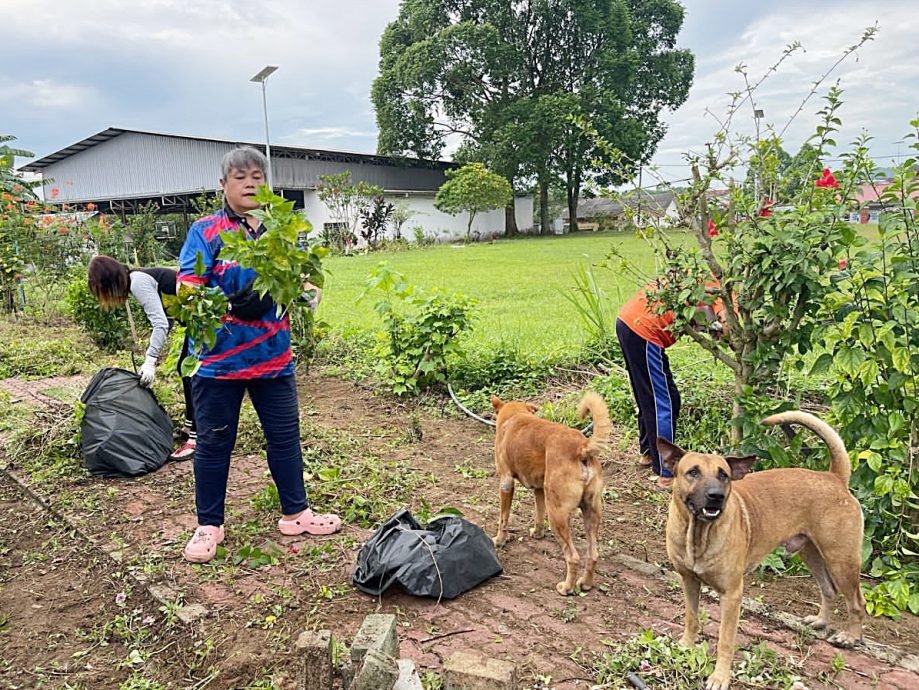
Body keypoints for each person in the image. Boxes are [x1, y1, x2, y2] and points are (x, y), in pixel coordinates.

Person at [177, 146, 340, 564]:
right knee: (214, 445)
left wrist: (307, 293)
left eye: (257, 176)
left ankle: (296, 513)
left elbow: (306, 282)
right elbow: (187, 288)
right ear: (223, 185)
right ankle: (208, 525)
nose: (250, 184)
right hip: (218, 363)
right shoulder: (206, 230)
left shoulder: (282, 230)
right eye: (240, 177)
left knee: (285, 439)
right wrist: (230, 303)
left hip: (272, 358)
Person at [616, 279, 725, 489]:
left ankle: (648, 454)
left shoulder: (698, 277)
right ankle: (666, 473)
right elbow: (726, 319)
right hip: (645, 330)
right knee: (662, 403)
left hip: (629, 322)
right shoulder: (720, 289)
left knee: (652, 397)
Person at [87, 255, 197, 461]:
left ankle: (196, 439)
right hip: (197, 321)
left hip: (206, 319)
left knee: (193, 375)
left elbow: (161, 324)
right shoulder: (139, 278)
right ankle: (190, 427)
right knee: (185, 368)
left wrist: (150, 360)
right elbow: (168, 318)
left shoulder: (138, 281)